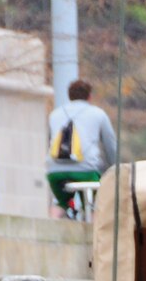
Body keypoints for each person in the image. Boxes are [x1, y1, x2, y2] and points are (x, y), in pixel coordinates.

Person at [47, 79, 119, 218]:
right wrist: (115, 168)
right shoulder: (98, 114)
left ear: (69, 96)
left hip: (55, 172)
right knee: (95, 205)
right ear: (89, 96)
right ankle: (92, 230)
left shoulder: (54, 114)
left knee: (60, 203)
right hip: (86, 171)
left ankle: (52, 223)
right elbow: (110, 146)